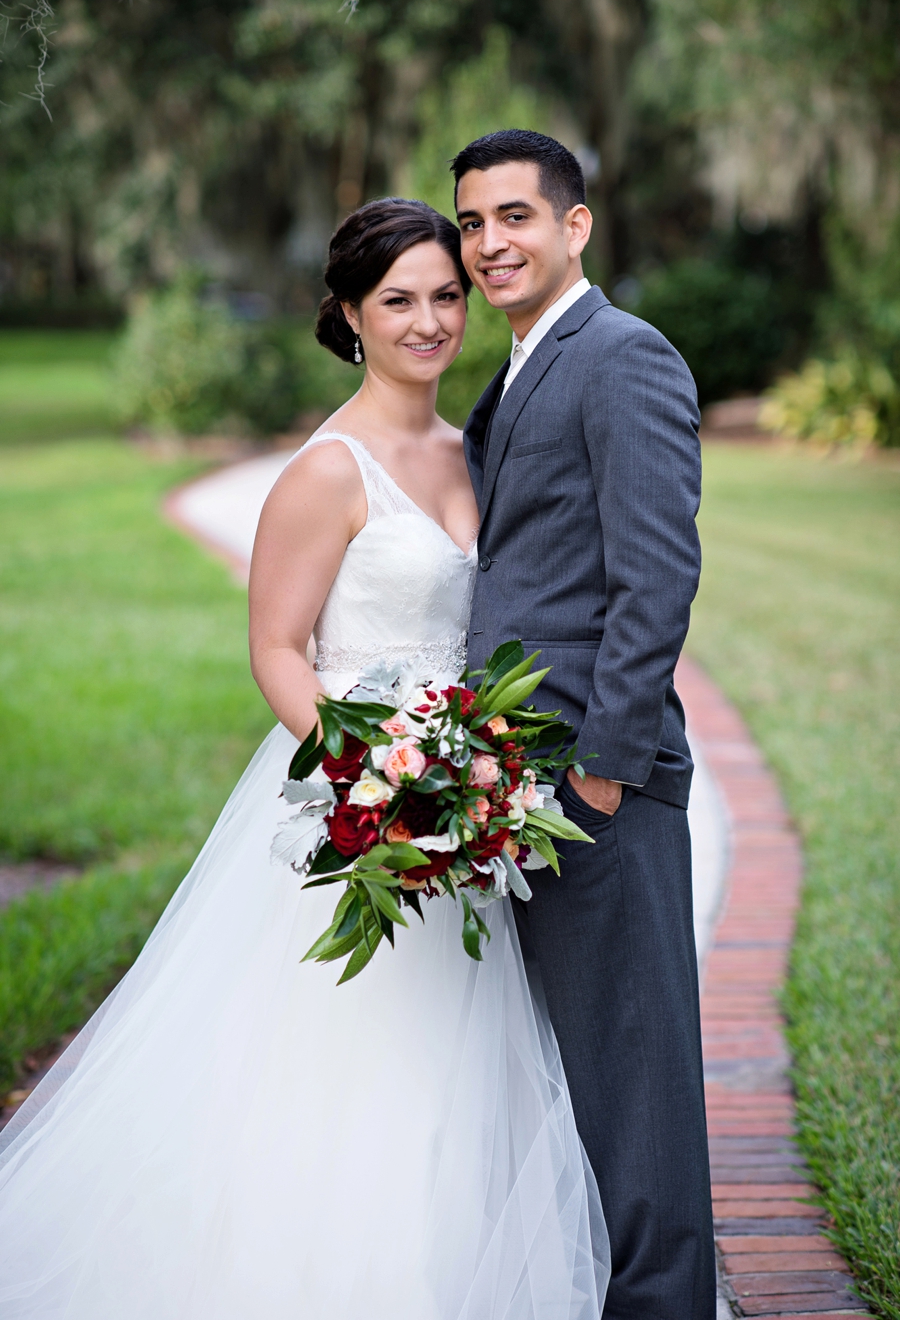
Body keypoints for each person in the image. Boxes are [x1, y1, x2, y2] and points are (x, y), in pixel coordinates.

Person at [0, 198, 610, 1319]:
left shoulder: (474, 445)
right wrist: (382, 777)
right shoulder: (328, 472)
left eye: (444, 295)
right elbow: (278, 651)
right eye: (398, 301)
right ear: (349, 315)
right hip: (366, 808)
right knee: (347, 1067)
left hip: (471, 806)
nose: (428, 320)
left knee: (459, 1064)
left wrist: (468, 779)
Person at [455, 130, 716, 1319]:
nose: (489, 243)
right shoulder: (515, 372)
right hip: (514, 792)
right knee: (564, 1078)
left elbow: (655, 578)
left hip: (593, 787)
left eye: (515, 216)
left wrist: (600, 778)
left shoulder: (624, 357)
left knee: (635, 1086)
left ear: (575, 226)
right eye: (472, 223)